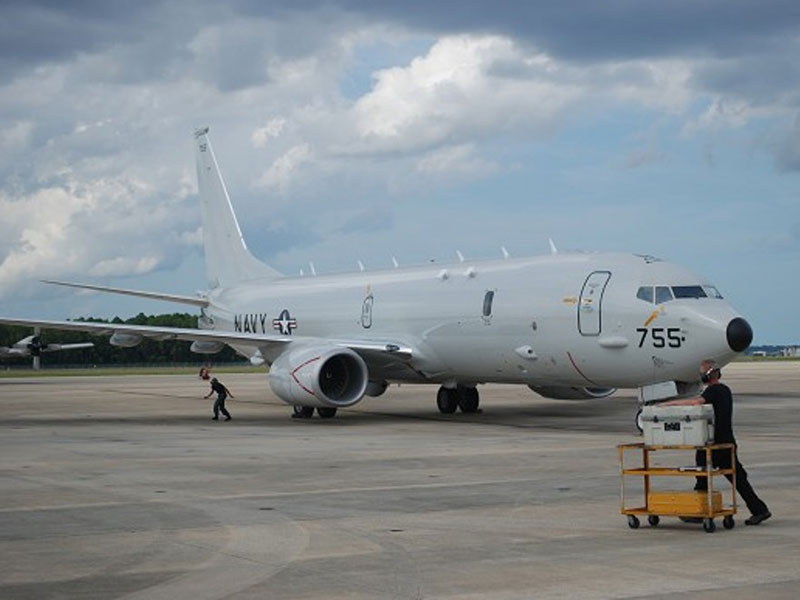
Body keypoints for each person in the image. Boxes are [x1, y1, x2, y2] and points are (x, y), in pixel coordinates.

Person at [660, 359, 771, 525]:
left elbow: (696, 402)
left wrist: (669, 404)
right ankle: (759, 509)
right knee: (736, 478)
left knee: (704, 474)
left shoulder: (713, 391)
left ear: (706, 376)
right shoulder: (724, 390)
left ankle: (700, 511)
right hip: (727, 441)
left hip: (716, 444)